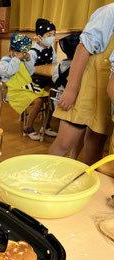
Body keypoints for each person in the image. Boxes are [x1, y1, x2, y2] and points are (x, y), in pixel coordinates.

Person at [50, 3, 114, 165]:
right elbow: (83, 48)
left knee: (95, 144)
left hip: (107, 92)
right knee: (65, 142)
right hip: (87, 85)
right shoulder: (110, 12)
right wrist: (71, 89)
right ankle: (43, 181)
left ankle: (87, 186)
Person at [0, 33, 49, 140]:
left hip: (27, 87)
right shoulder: (4, 61)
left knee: (48, 98)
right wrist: (16, 59)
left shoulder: (22, 60)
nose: (21, 55)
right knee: (38, 101)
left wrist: (29, 60)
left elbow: (30, 72)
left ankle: (46, 126)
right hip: (15, 92)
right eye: (19, 52)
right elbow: (9, 71)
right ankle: (28, 127)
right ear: (12, 50)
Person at [51, 32, 83, 158]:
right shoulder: (79, 67)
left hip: (56, 100)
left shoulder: (60, 64)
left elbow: (54, 78)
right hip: (69, 104)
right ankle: (73, 158)